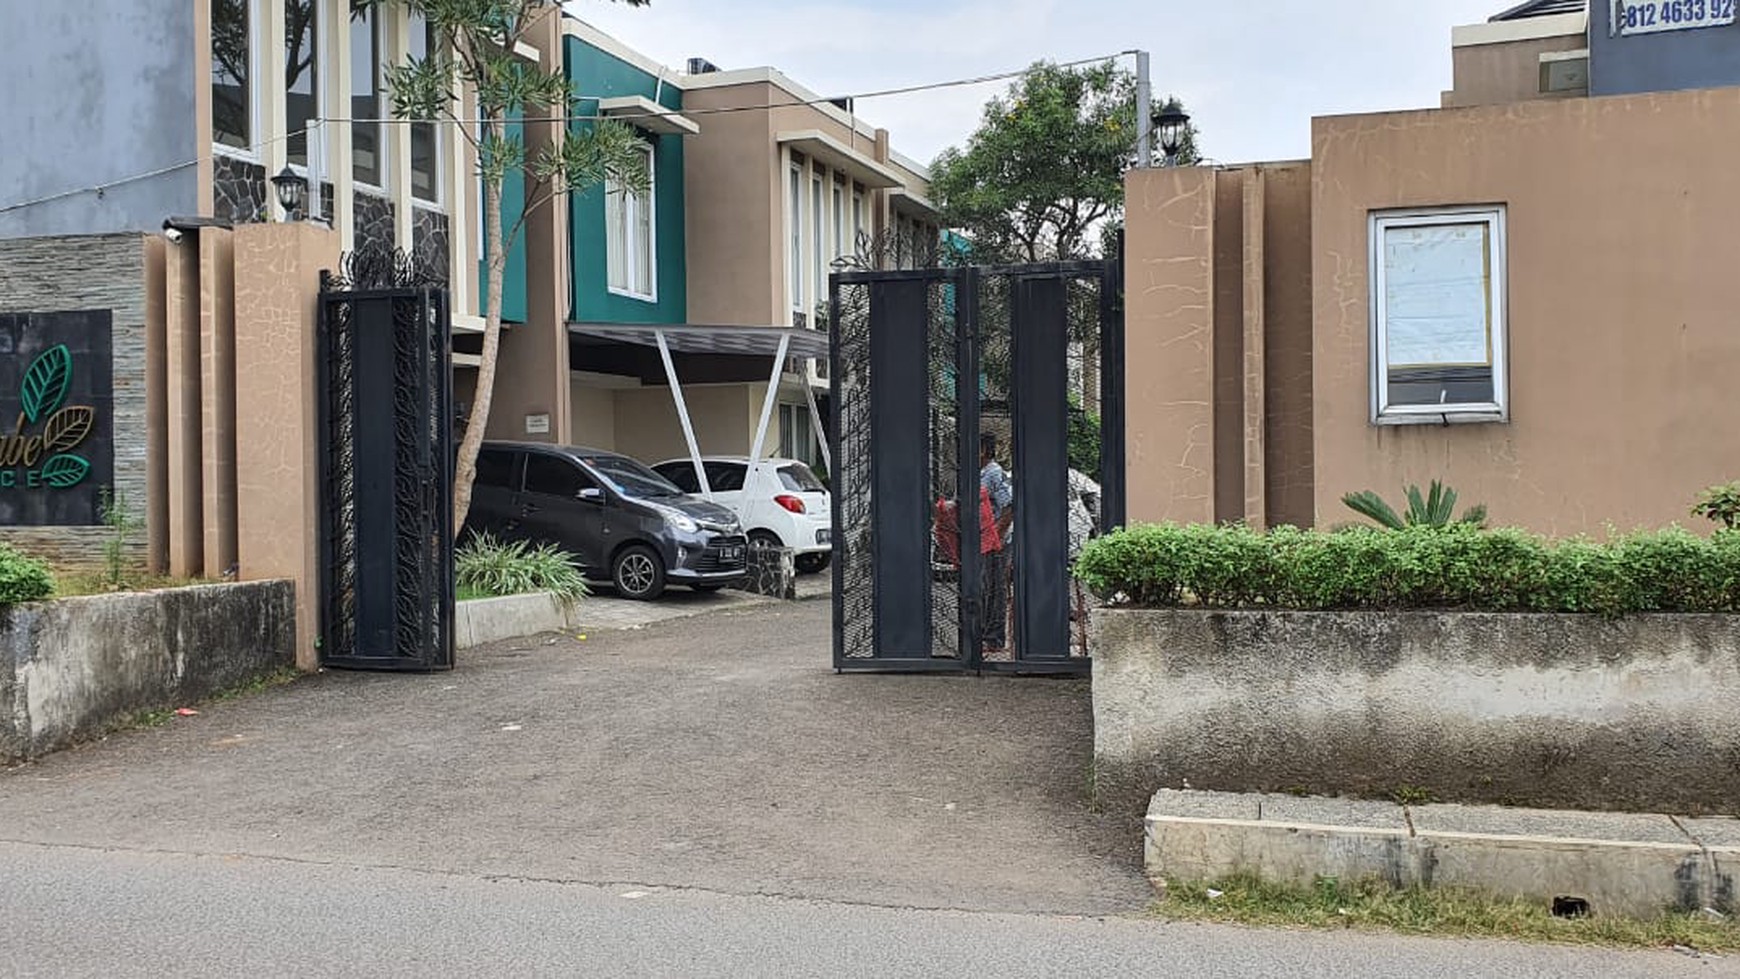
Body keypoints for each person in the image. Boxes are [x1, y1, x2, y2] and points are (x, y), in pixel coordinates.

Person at [979, 433, 1014, 652]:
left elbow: (1009, 507)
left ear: (983, 450)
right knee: (982, 587)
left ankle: (994, 638)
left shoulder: (994, 474)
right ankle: (980, 633)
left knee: (994, 589)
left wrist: (996, 536)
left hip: (994, 542)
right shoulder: (978, 473)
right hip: (980, 540)